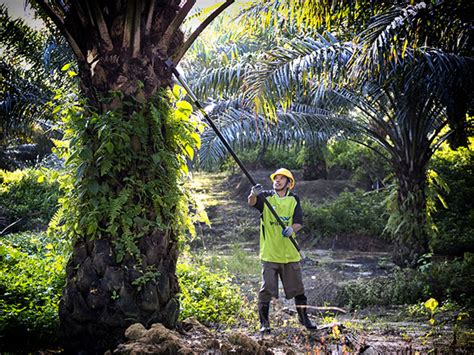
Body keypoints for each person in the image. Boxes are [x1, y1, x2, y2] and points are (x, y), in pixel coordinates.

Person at [248, 168, 316, 333]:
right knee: (267, 289)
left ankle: (304, 318)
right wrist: (253, 193)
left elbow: (298, 222)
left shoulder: (294, 199)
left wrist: (292, 229)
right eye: (275, 178)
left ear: (288, 183)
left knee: (298, 289)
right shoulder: (265, 197)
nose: (277, 181)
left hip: (290, 254)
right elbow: (251, 202)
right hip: (270, 253)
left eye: (281, 179)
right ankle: (264, 323)